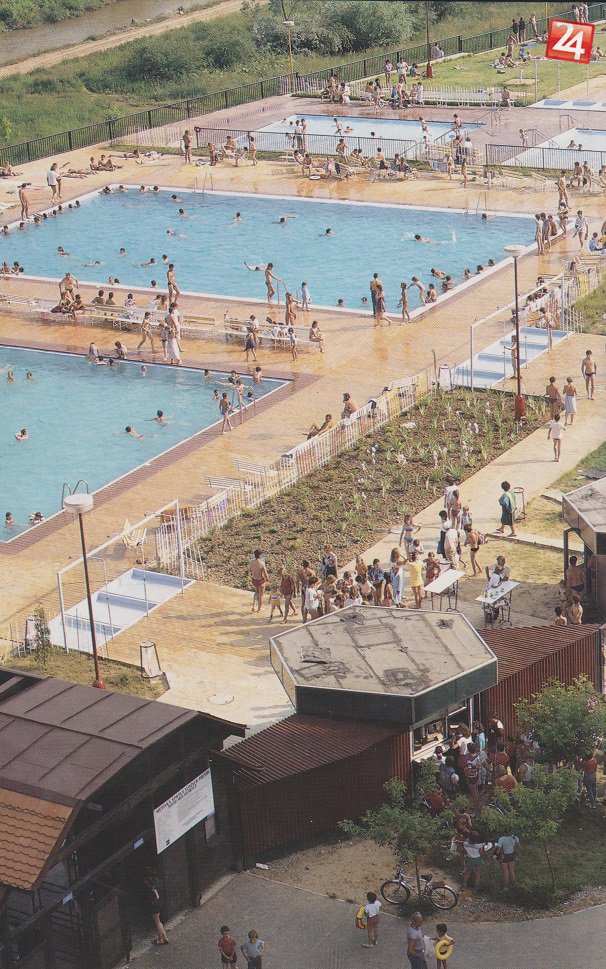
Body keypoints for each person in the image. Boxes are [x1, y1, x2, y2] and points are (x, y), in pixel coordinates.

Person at [143, 869, 169, 945]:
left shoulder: (152, 886)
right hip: (161, 903)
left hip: (155, 905)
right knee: (159, 921)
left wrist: (153, 901)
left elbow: (156, 896)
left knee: (157, 922)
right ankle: (164, 937)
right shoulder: (159, 882)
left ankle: (161, 939)